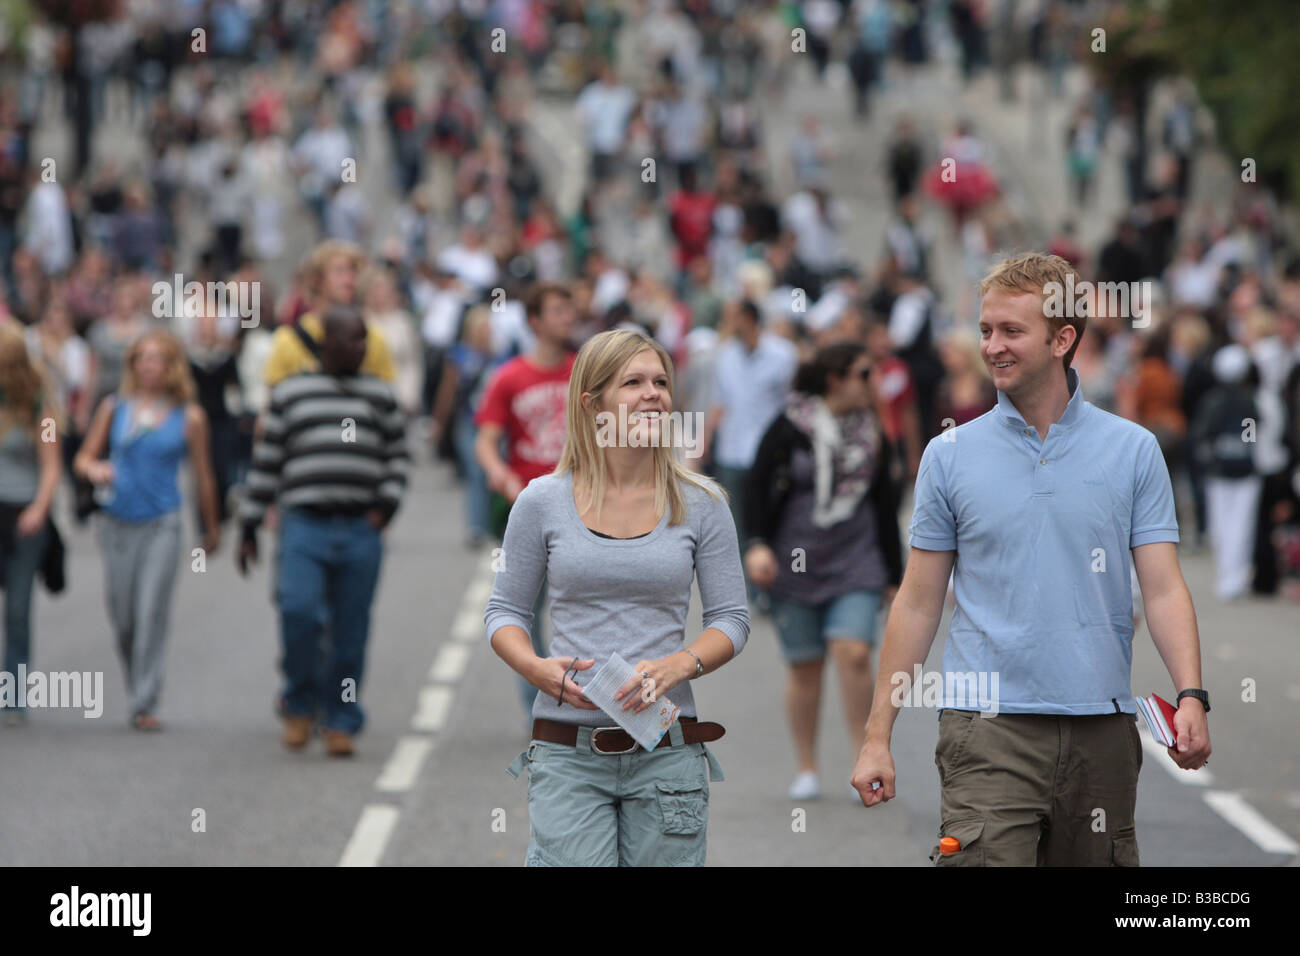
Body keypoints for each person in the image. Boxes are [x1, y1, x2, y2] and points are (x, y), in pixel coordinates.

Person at [851, 253, 1212, 867]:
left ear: (1062, 339)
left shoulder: (1133, 450)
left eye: (1011, 331)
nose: (992, 346)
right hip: (985, 731)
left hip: (1102, 728)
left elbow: (1163, 589)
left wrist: (1193, 696)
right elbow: (917, 601)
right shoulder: (949, 455)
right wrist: (876, 735)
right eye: (986, 330)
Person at [486, 328, 749, 866]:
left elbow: (732, 619)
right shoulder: (542, 501)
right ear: (592, 403)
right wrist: (535, 668)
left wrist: (679, 665)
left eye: (660, 381)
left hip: (666, 750)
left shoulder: (703, 502)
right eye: (633, 382)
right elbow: (504, 613)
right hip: (567, 751)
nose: (653, 393)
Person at [237, 306, 409, 757]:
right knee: (298, 610)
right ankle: (298, 702)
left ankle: (340, 719)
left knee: (351, 629)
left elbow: (398, 456)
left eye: (363, 340)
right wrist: (250, 525)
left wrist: (384, 508)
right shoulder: (294, 393)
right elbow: (268, 461)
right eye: (350, 339)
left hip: (359, 527)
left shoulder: (380, 394)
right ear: (326, 342)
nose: (360, 348)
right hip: (303, 524)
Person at [742, 342, 902, 799]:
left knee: (853, 654)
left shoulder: (872, 429)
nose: (873, 383)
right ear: (836, 380)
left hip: (857, 558)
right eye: (864, 373)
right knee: (805, 664)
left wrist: (894, 573)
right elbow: (755, 486)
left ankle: (864, 758)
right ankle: (808, 767)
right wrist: (755, 545)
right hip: (796, 559)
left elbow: (885, 503)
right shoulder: (791, 424)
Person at [74, 330, 221, 731]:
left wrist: (211, 527)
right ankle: (136, 681)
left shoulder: (190, 416)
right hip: (117, 522)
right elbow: (83, 457)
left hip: (164, 523)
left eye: (156, 359)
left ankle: (145, 700)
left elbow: (203, 476)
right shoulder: (114, 407)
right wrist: (95, 468)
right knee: (123, 616)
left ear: (170, 366)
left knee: (151, 610)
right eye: (142, 359)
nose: (149, 366)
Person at [474, 282, 577, 714]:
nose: (567, 318)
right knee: (524, 609)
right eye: (557, 310)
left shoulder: (584, 372)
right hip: (529, 509)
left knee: (577, 604)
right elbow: (485, 440)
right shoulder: (510, 377)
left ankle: (580, 692)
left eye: (569, 309)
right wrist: (499, 473)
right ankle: (540, 697)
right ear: (534, 321)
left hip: (581, 505)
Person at [0, 324, 61, 725]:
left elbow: (51, 465)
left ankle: (15, 693)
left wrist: (40, 508)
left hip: (24, 513)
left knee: (18, 607)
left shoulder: (40, 407)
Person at [261, 240, 395, 388]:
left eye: (353, 272)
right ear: (316, 279)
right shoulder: (288, 340)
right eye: (340, 271)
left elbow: (387, 396)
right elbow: (274, 398)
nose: (349, 280)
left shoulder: (372, 339)